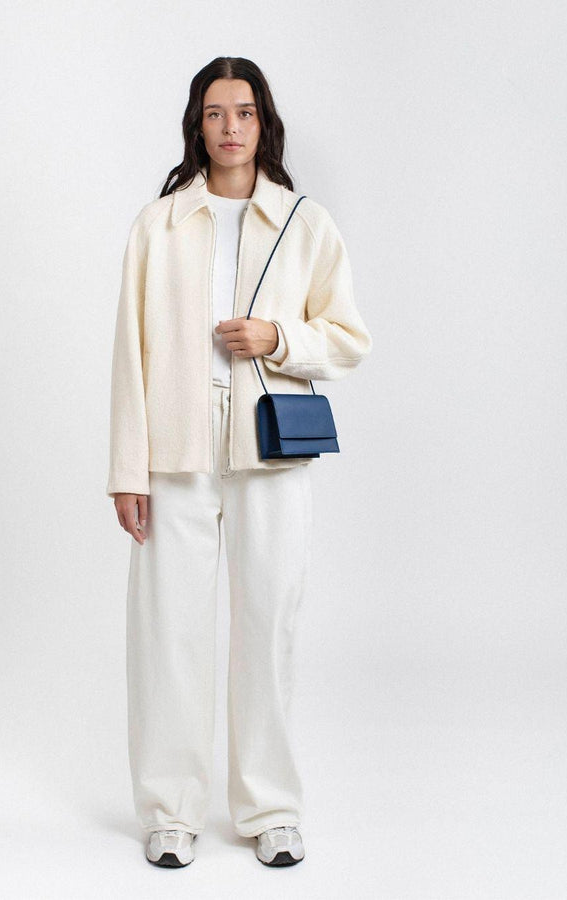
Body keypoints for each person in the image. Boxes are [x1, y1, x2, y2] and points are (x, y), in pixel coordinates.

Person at [106, 56, 372, 868]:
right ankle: (171, 811)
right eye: (216, 113)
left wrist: (277, 337)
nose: (230, 128)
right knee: (168, 636)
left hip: (270, 452)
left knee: (268, 628)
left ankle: (270, 809)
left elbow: (349, 338)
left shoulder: (304, 222)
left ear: (264, 123)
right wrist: (127, 469)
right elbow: (129, 353)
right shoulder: (159, 224)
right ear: (198, 123)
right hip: (175, 449)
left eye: (245, 113)